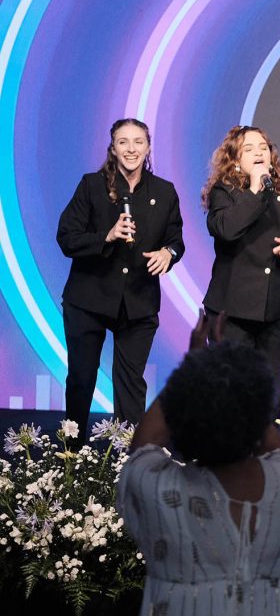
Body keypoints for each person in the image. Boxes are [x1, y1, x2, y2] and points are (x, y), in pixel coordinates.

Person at [117, 322, 280, 616]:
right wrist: (236, 380)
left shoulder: (160, 491)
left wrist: (191, 370)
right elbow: (271, 439)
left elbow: (144, 445)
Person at [57, 118, 184, 439]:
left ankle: (129, 457)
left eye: (138, 142)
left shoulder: (164, 191)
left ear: (148, 147)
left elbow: (176, 240)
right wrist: (107, 236)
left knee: (131, 384)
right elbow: (67, 238)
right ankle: (70, 453)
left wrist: (168, 253)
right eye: (123, 142)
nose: (131, 149)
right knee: (81, 378)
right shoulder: (91, 185)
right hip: (88, 299)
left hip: (138, 302)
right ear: (113, 148)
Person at [201, 125, 280, 416]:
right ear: (236, 159)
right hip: (231, 310)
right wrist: (254, 189)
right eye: (249, 149)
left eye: (263, 147)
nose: (258, 153)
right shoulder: (224, 192)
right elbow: (226, 230)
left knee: (270, 391)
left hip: (274, 310)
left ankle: (266, 443)